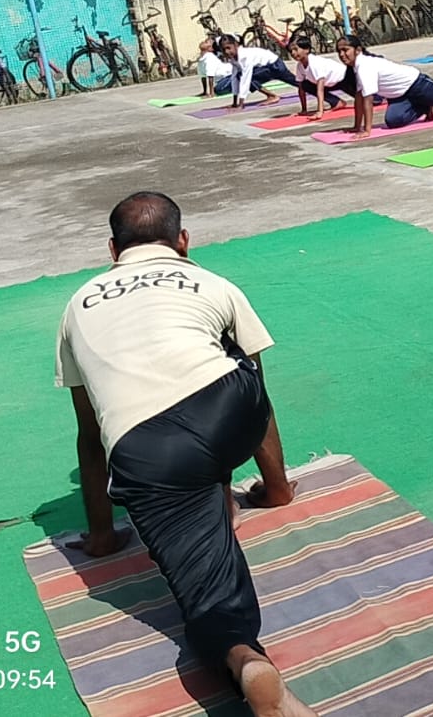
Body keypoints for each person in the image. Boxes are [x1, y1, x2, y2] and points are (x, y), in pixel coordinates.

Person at [55, 192, 318, 717]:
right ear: (182, 242)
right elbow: (260, 395)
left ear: (113, 250)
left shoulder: (77, 305)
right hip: (229, 406)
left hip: (149, 449)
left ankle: (245, 658)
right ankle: (249, 493)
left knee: (209, 596)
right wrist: (277, 488)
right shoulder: (213, 282)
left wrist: (104, 536)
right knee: (235, 358)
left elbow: (90, 435)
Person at [334, 35, 433, 135]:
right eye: (339, 51)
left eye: (345, 50)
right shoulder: (358, 67)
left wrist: (367, 130)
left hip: (417, 84)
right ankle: (424, 106)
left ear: (358, 50)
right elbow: (359, 97)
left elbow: (368, 99)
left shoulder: (365, 65)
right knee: (393, 121)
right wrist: (356, 126)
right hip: (400, 96)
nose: (341, 55)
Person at [220, 35, 295, 111]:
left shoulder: (245, 56)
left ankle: (272, 96)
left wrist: (241, 105)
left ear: (236, 45)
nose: (226, 52)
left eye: (228, 48)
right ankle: (271, 95)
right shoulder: (233, 59)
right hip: (270, 67)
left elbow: (246, 78)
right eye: (223, 50)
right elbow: (234, 78)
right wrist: (234, 103)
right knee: (297, 82)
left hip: (275, 66)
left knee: (244, 77)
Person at [286, 36, 344, 120]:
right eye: (291, 51)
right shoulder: (300, 66)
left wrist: (320, 111)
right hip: (330, 83)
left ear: (307, 50)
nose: (293, 53)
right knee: (305, 85)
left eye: (296, 49)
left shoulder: (315, 63)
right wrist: (304, 110)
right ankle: (337, 102)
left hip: (344, 80)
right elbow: (301, 89)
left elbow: (320, 89)